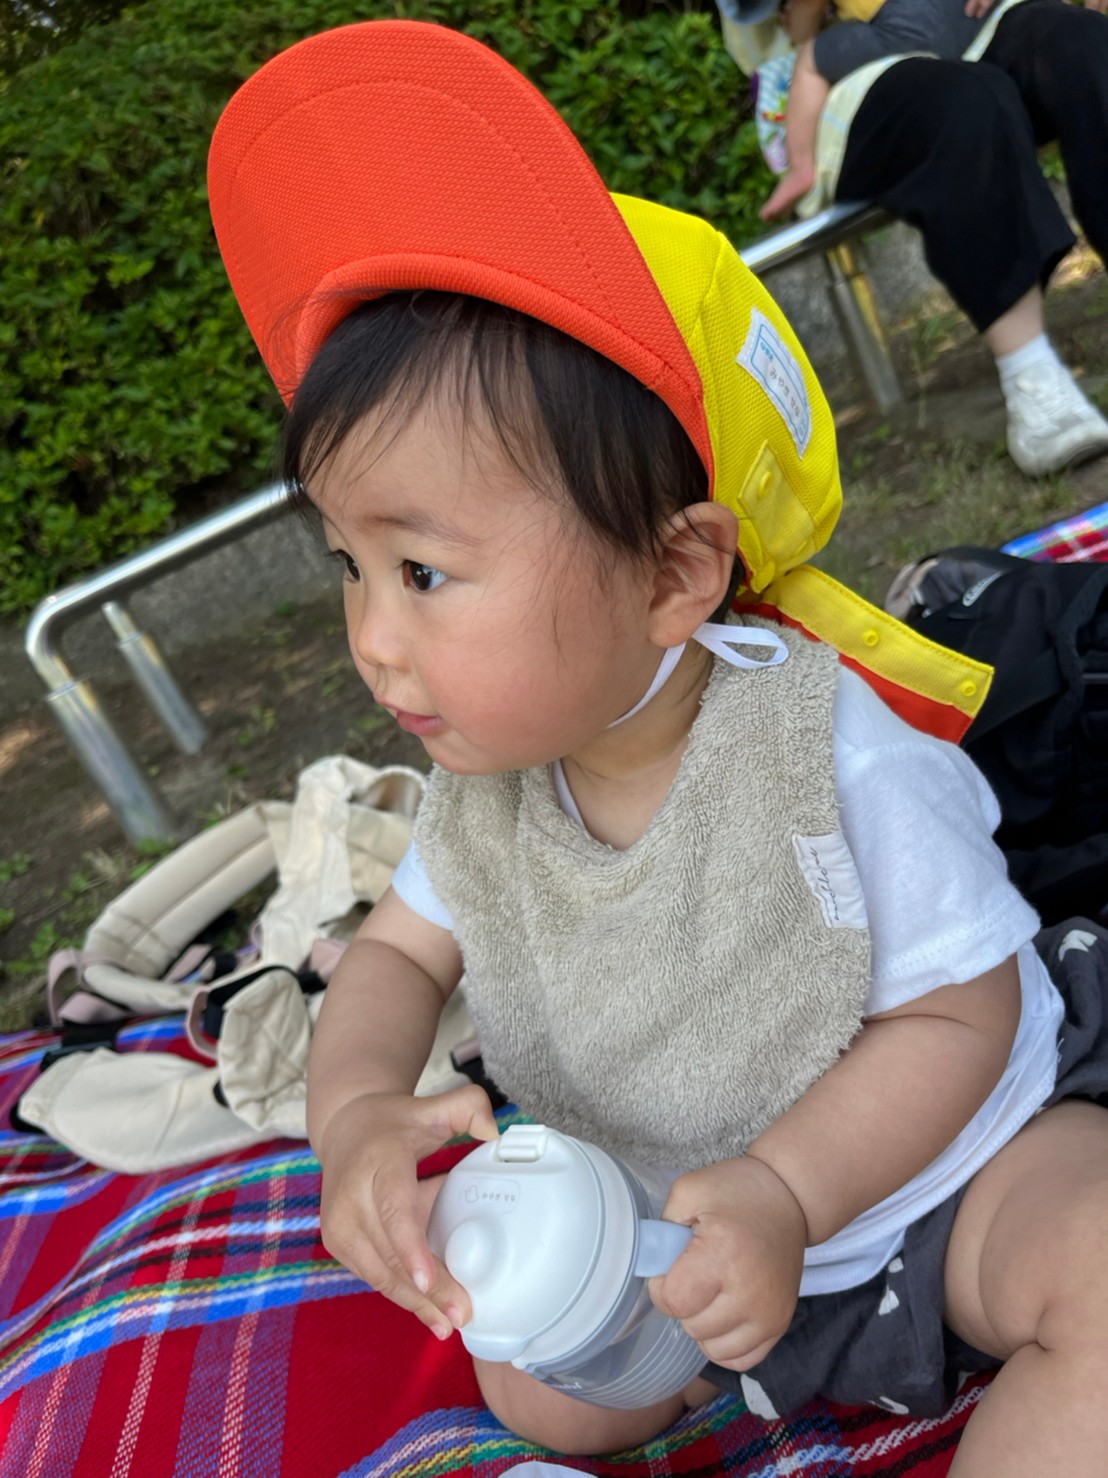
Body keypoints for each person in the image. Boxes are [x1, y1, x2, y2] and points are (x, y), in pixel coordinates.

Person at [208, 20, 1108, 1469]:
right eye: (349, 568)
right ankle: (737, 1369)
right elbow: (391, 963)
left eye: (423, 572)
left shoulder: (823, 750)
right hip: (685, 1244)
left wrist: (786, 1192)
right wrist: (358, 1112)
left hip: (945, 1184)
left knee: (1100, 1259)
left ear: (675, 575)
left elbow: (966, 1013)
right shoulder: (485, 797)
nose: (373, 639)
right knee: (535, 1389)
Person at [722, 0, 1108, 478]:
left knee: (1080, 40)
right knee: (965, 100)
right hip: (867, 66)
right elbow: (798, 28)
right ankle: (1033, 375)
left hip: (975, 20)